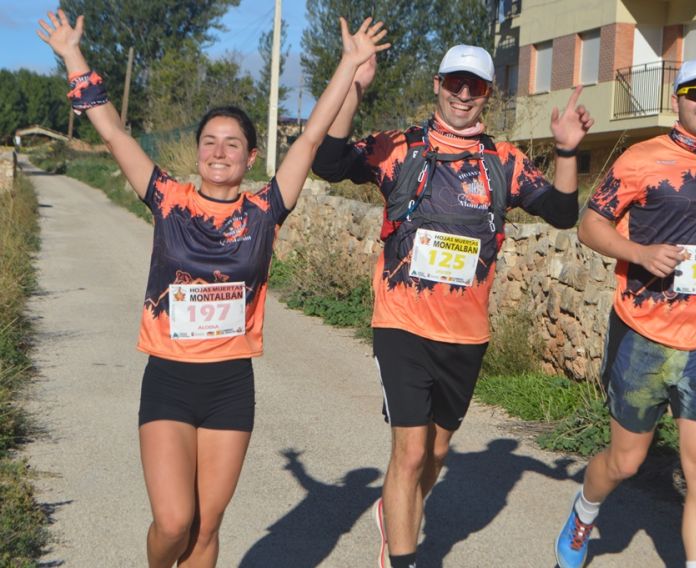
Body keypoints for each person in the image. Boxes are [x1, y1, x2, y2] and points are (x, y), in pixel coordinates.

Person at [37, 9, 389, 567]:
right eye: (209, 141)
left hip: (230, 384)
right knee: (174, 523)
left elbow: (314, 134)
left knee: (206, 527)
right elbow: (111, 129)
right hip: (170, 381)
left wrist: (347, 65)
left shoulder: (265, 210)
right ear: (197, 151)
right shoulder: (167, 198)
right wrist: (72, 55)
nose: (219, 151)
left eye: (232, 144)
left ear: (251, 156)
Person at [312, 44, 593, 568]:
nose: (464, 94)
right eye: (456, 83)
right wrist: (354, 86)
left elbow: (560, 212)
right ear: (437, 84)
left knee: (437, 453)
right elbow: (329, 162)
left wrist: (567, 152)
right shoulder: (400, 147)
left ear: (488, 95)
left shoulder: (503, 160)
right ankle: (402, 556)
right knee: (411, 451)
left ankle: (396, 514)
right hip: (401, 320)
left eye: (477, 86)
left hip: (465, 332)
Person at [555, 58, 696, 568]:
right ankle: (585, 512)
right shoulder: (639, 158)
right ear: (677, 100)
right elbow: (590, 226)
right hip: (644, 333)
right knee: (626, 462)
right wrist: (642, 254)